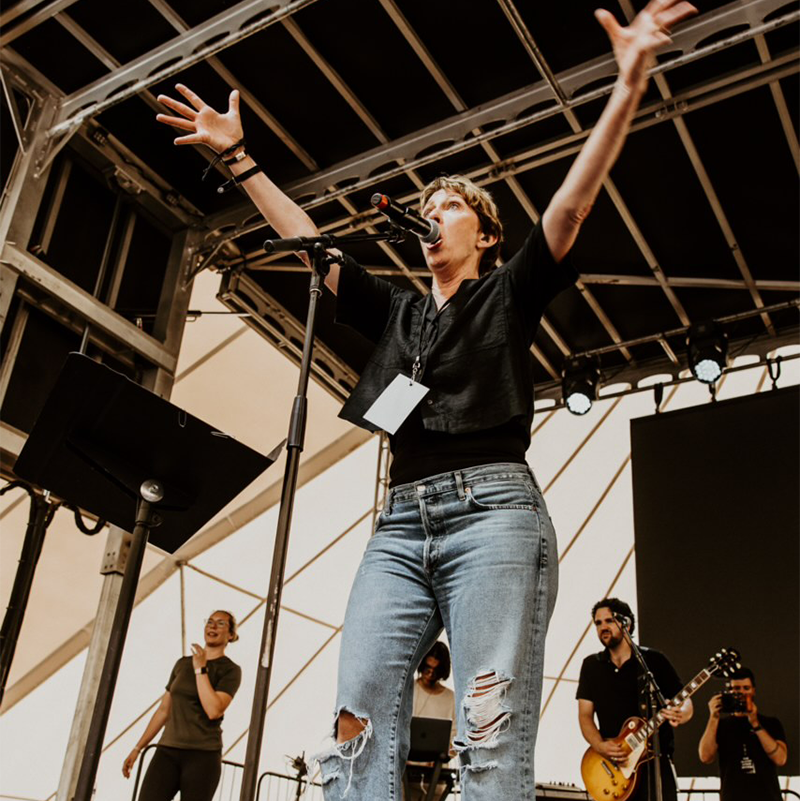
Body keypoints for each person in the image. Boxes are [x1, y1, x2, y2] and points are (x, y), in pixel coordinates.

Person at [155, 2, 697, 797]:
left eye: (451, 208)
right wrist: (241, 163)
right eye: (429, 208)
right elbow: (315, 248)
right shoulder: (402, 314)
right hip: (401, 520)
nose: (432, 215)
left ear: (483, 235)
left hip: (494, 514)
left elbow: (570, 208)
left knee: (488, 723)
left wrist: (627, 83)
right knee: (356, 719)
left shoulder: (508, 292)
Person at [576, 598, 693, 801]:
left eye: (609, 621)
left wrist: (681, 713)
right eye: (598, 623)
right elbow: (585, 716)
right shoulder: (591, 665)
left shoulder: (654, 661)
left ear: (627, 624)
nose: (603, 627)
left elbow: (685, 700)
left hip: (655, 764)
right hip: (614, 768)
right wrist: (600, 746)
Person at [121, 611, 242, 801]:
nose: (213, 626)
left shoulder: (230, 670)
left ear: (231, 635)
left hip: (203, 756)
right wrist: (138, 748)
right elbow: (163, 711)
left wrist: (200, 669)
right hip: (167, 750)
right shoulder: (182, 664)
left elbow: (213, 710)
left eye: (220, 624)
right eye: (209, 622)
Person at [698, 667, 788, 801]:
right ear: (728, 692)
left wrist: (755, 724)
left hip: (767, 796)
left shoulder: (770, 723)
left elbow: (781, 759)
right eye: (736, 689)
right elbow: (705, 757)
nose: (741, 693)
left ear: (754, 690)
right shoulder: (720, 725)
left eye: (746, 688)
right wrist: (713, 717)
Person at [406, 642, 457, 801]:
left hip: (436, 780)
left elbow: (457, 739)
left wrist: (443, 755)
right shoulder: (407, 691)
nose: (430, 673)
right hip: (404, 777)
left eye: (435, 671)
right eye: (428, 668)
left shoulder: (451, 699)